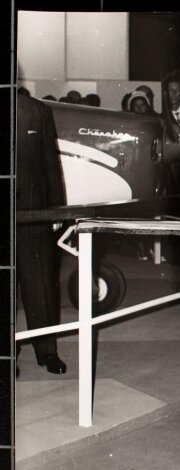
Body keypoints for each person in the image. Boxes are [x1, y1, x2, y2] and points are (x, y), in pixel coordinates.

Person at [16, 93, 69, 375]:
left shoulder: (37, 111)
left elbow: (50, 163)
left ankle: (47, 351)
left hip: (33, 213)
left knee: (40, 285)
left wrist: (56, 211)